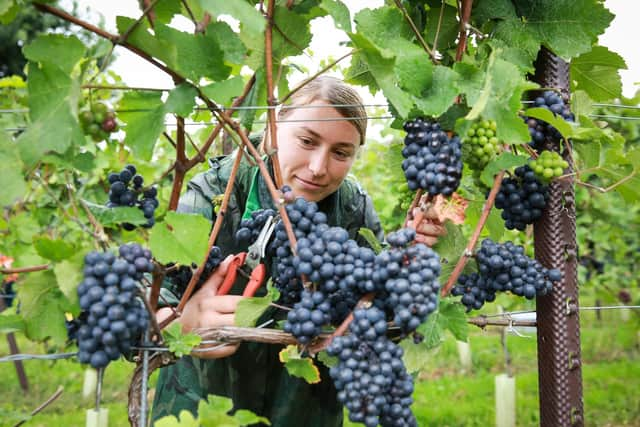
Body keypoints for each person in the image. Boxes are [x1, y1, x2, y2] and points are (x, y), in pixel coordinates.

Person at [151, 76, 447, 426]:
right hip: (202, 409)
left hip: (305, 411)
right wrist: (177, 322)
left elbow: (380, 310)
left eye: (341, 153)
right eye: (307, 140)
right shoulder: (214, 196)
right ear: (274, 127)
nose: (319, 167)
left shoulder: (353, 207)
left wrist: (409, 262)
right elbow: (141, 310)